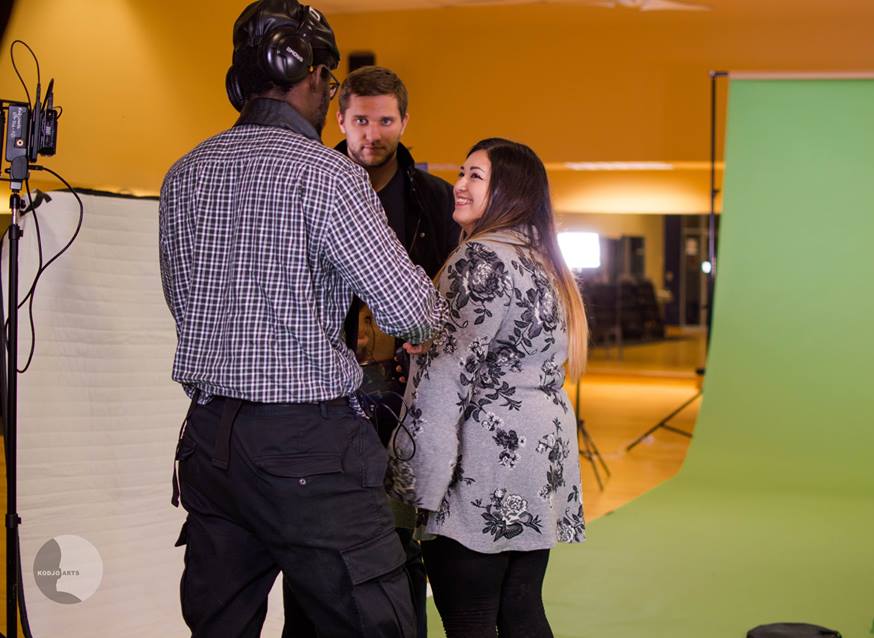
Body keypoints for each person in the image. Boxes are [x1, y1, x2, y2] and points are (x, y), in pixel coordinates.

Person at [159, 1, 446, 636]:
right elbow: (409, 310)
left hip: (210, 442)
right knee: (379, 622)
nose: (329, 94)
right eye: (330, 79)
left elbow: (182, 301)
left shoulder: (185, 173)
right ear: (310, 74)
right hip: (307, 446)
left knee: (219, 626)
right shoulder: (328, 175)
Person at [282, 65, 458, 638]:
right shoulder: (305, 182)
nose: (372, 134)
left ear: (405, 122)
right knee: (313, 537)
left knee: (395, 538)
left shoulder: (433, 200)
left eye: (386, 120)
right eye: (361, 120)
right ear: (340, 119)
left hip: (402, 389)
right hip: (314, 386)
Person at [387, 138, 588, 638]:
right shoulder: (544, 260)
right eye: (462, 172)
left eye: (475, 176)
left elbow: (442, 381)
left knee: (470, 617)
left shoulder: (478, 259)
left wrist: (412, 486)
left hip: (483, 460)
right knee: (521, 609)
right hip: (540, 453)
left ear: (508, 192)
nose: (458, 185)